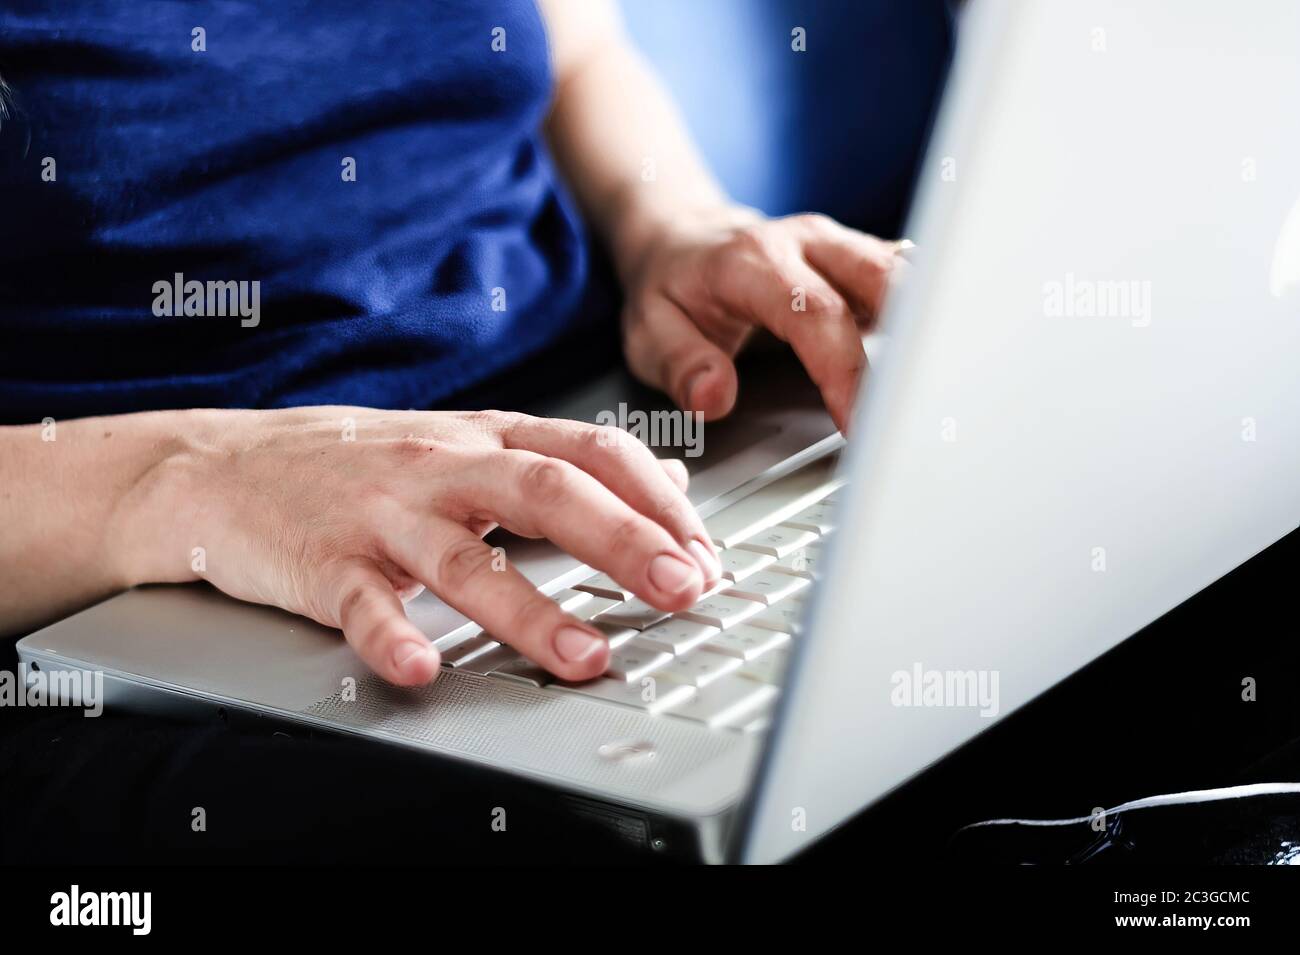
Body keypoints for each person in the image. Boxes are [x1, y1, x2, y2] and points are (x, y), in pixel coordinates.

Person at [0, 0, 905, 687]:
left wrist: (669, 222)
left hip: (603, 421)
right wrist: (185, 476)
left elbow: (575, 46)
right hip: (166, 602)